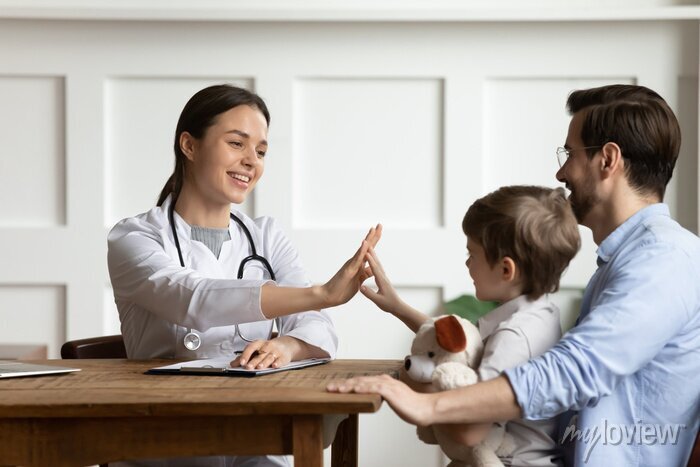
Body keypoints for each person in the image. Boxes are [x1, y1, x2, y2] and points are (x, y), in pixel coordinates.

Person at [328, 84, 700, 466]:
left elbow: (577, 368)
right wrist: (402, 311)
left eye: (570, 154)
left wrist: (428, 406)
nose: (560, 171)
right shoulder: (632, 260)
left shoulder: (664, 259)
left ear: (607, 159)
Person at [108, 84, 380, 467]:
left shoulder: (266, 236)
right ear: (189, 145)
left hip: (257, 436)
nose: (252, 161)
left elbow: (317, 327)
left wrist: (287, 347)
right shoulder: (134, 238)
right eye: (237, 143)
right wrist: (320, 293)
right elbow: (193, 299)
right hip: (166, 444)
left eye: (261, 151)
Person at [360, 185, 580, 465]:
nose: (467, 263)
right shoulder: (537, 313)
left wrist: (407, 390)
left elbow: (470, 431)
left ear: (505, 269)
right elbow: (464, 347)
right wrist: (397, 306)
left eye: (472, 254)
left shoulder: (513, 338)